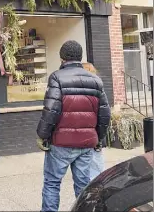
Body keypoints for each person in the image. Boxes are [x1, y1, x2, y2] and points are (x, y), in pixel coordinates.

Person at [37, 40, 111, 212]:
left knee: (52, 183)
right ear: (80, 56)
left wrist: (42, 135)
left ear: (62, 58)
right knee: (84, 186)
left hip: (60, 143)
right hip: (86, 143)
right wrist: (98, 138)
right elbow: (104, 114)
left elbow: (50, 111)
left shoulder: (57, 77)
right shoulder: (95, 80)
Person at [82, 62, 106, 181]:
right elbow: (104, 114)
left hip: (86, 133)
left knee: (90, 168)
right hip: (94, 132)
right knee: (97, 165)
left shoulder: (78, 90)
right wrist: (100, 138)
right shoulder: (98, 87)